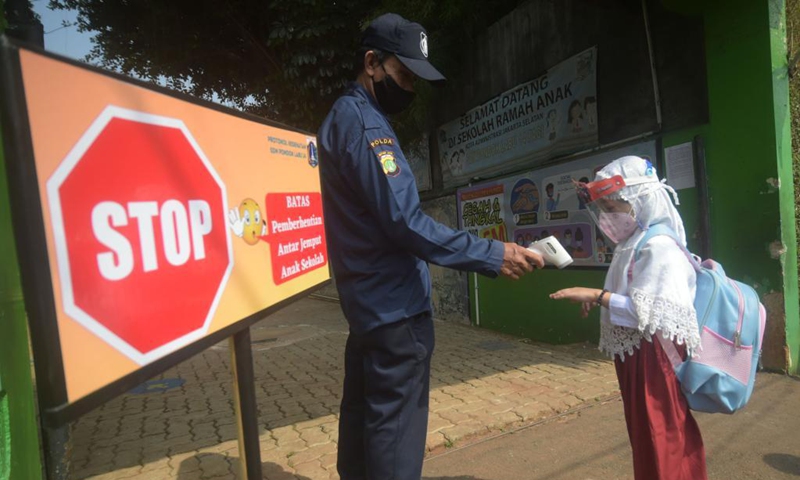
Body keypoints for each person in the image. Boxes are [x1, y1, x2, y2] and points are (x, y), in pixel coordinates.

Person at [317, 13, 544, 480]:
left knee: (363, 426)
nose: (409, 89)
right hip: (396, 314)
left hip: (367, 309)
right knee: (394, 439)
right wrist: (493, 254)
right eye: (403, 75)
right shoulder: (367, 126)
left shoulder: (342, 118)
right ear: (371, 63)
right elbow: (406, 222)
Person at [549, 156, 707, 480]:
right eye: (603, 209)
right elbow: (633, 292)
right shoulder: (635, 241)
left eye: (611, 207)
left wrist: (596, 295)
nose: (607, 217)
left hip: (655, 359)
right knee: (648, 438)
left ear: (637, 199)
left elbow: (644, 312)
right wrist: (601, 302)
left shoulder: (660, 246)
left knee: (661, 438)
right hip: (638, 355)